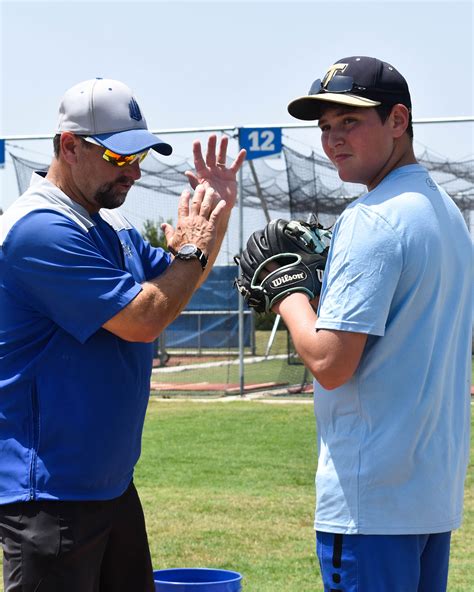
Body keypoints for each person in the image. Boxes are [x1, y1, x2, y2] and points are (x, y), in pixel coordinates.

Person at [0, 77, 245, 591]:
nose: (133, 171)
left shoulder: (109, 228)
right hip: (49, 495)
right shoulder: (40, 229)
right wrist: (192, 250)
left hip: (106, 485)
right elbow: (145, 318)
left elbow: (181, 279)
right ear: (69, 146)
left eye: (139, 157)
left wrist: (214, 219)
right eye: (118, 158)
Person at [278, 56, 471, 591]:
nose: (333, 140)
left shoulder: (373, 217)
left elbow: (330, 364)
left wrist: (286, 292)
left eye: (350, 122)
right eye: (324, 127)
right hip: (429, 496)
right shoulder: (448, 214)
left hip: (372, 504)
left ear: (398, 121)